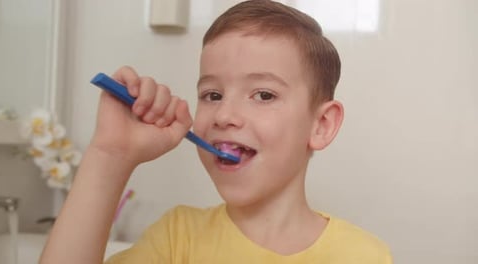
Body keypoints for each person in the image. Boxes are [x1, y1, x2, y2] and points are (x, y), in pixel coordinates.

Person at [40, 0, 392, 263]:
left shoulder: (363, 255)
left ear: (321, 125)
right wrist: (110, 155)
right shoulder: (176, 240)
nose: (224, 115)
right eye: (212, 95)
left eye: (263, 95)